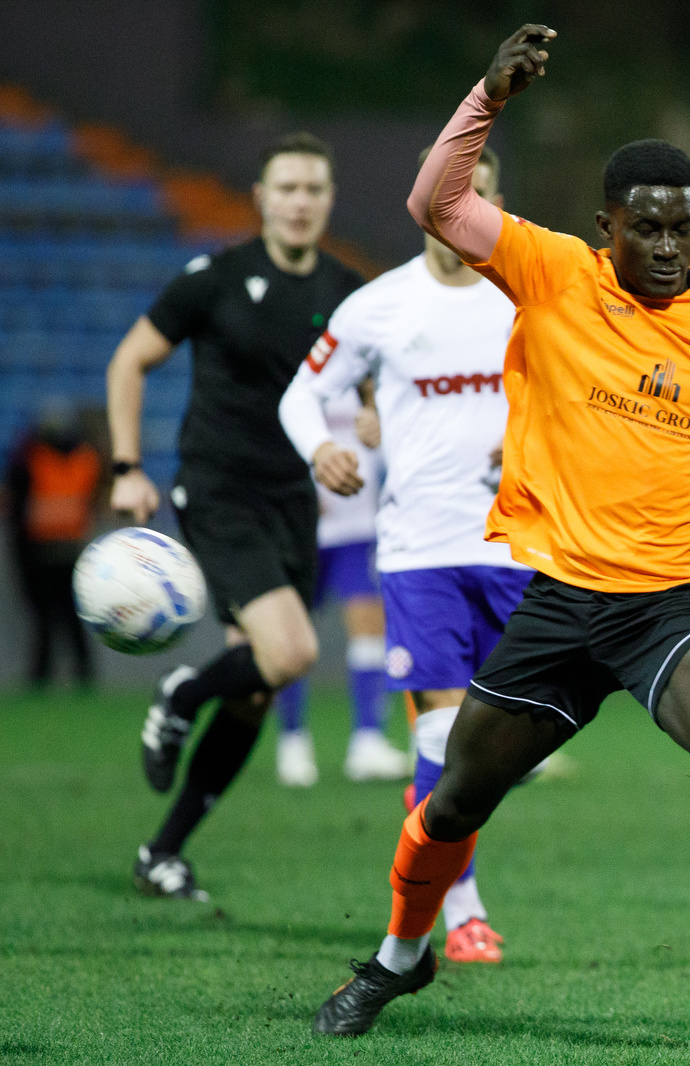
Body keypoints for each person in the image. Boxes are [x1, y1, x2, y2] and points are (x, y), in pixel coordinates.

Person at [311, 26, 690, 1036]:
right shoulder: (552, 272)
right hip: (558, 599)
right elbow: (435, 205)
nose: (670, 246)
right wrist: (486, 99)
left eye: (684, 227)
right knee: (456, 798)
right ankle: (397, 957)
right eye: (648, 227)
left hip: (675, 598)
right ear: (608, 225)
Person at [279, 143, 528, 963]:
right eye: (448, 196)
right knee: (441, 744)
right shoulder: (377, 307)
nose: (461, 211)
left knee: (492, 756)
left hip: (519, 548)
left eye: (477, 196)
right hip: (420, 553)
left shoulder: (528, 299)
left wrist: (532, 445)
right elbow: (301, 395)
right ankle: (455, 915)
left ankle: (437, 891)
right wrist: (321, 448)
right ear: (423, 205)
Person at [106, 132, 365, 901]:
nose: (300, 202)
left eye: (314, 189)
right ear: (259, 198)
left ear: (329, 200)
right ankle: (180, 696)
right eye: (286, 187)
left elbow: (377, 374)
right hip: (218, 490)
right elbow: (130, 361)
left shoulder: (348, 291)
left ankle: (162, 853)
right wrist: (126, 469)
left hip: (293, 502)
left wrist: (376, 416)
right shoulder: (215, 278)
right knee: (286, 655)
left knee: (253, 690)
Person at [273, 383, 411, 787]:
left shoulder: (367, 380)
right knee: (292, 636)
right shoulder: (301, 380)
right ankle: (292, 743)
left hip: (357, 528)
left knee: (370, 627)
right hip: (302, 529)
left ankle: (367, 741)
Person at [6, 400, 101, 687]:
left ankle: (72, 675)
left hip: (58, 551)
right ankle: (48, 676)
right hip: (48, 551)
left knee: (61, 619)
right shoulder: (79, 458)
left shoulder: (34, 457)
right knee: (49, 619)